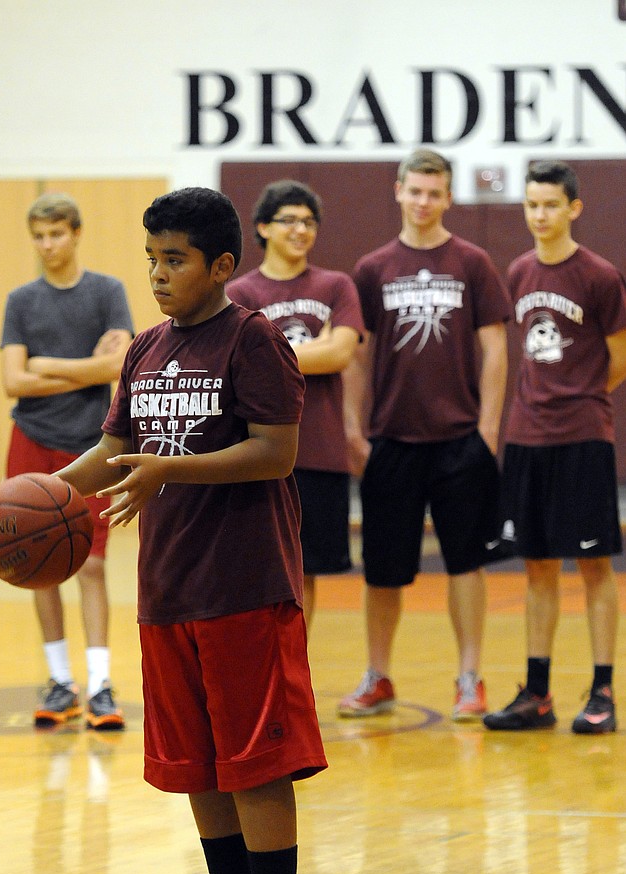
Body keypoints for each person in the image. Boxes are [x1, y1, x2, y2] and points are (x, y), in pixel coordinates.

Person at [56, 187, 327, 874]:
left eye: (174, 260)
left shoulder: (255, 341)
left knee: (255, 764)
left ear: (221, 265)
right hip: (169, 587)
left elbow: (276, 452)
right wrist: (41, 498)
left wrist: (168, 468)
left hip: (245, 583)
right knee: (198, 763)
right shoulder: (144, 349)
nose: (159, 274)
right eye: (151, 259)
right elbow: (113, 449)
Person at [340, 148, 512, 721]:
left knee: (465, 563)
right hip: (391, 439)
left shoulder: (472, 261)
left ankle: (469, 677)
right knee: (383, 570)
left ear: (448, 197)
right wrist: (352, 429)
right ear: (398, 190)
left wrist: (487, 429)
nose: (423, 202)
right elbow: (357, 357)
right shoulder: (372, 268)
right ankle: (378, 675)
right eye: (415, 191)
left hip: (461, 438)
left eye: (434, 193)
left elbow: (494, 348)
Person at [483, 161, 626, 735]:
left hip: (583, 438)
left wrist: (582, 395)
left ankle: (602, 691)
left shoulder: (599, 275)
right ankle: (537, 694)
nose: (539, 215)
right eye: (531, 204)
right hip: (527, 437)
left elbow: (619, 355)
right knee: (537, 566)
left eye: (550, 205)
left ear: (573, 209)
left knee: (593, 565)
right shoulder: (517, 271)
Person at [0, 193, 133, 731]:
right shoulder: (21, 300)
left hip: (92, 442)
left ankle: (100, 683)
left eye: (56, 233)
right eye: (39, 235)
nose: (48, 244)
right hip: (30, 438)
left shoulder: (107, 292)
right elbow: (13, 380)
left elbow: (120, 365)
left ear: (76, 233)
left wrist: (48, 364)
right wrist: (91, 367)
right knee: (38, 564)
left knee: (93, 564)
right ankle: (60, 681)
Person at [227, 180, 364, 628]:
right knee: (255, 574)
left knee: (305, 579)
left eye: (309, 221)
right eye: (289, 220)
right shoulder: (241, 294)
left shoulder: (336, 285)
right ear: (263, 227)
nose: (300, 229)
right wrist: (311, 353)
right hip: (258, 455)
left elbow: (341, 353)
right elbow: (239, 368)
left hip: (320, 453)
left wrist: (272, 353)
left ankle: (291, 680)